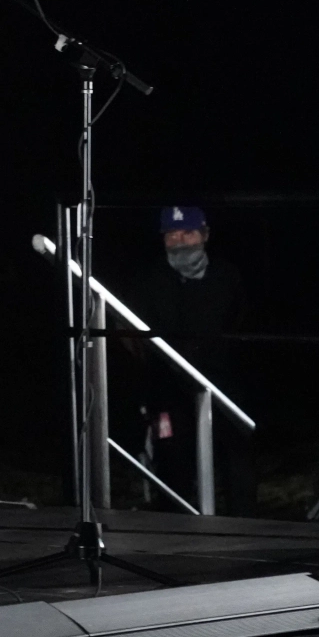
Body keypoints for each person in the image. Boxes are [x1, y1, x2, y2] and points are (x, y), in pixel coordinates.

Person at [129, 205, 255, 515]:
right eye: (172, 235)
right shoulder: (149, 281)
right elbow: (134, 336)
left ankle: (245, 529)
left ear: (205, 235)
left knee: (237, 459)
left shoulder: (228, 276)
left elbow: (242, 328)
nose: (181, 241)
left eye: (188, 233)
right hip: (168, 388)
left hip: (223, 386)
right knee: (172, 461)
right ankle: (176, 532)